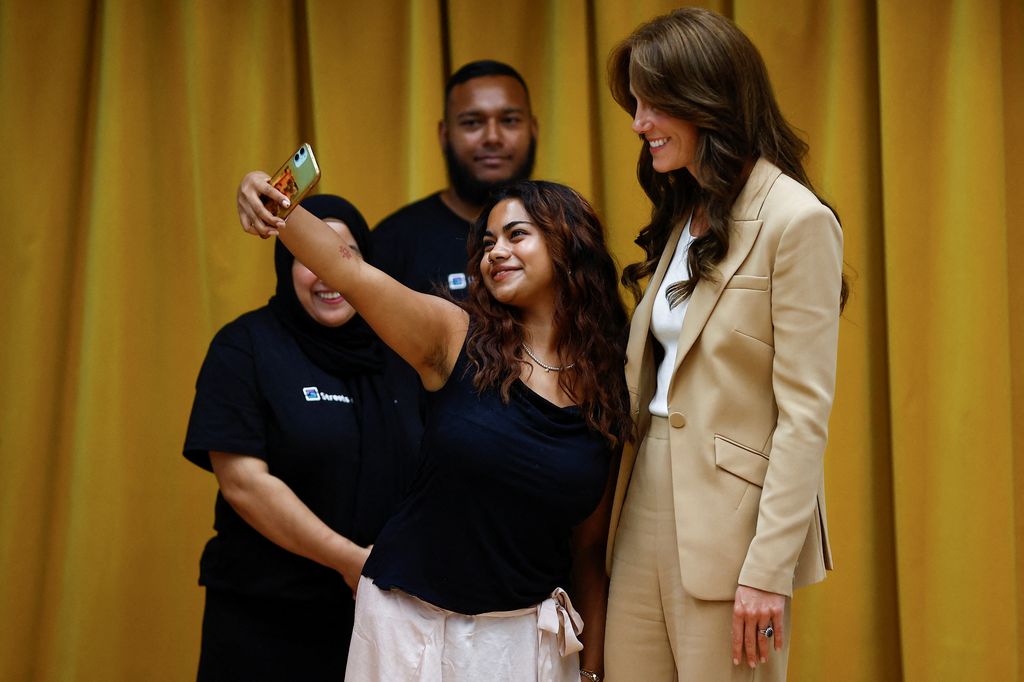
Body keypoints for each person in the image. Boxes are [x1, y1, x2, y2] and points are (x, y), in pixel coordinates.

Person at [237, 175, 631, 682]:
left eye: (516, 235)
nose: (496, 253)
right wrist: (278, 204)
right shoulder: (455, 336)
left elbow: (588, 553)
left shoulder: (607, 387)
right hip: (410, 628)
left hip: (525, 642)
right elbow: (350, 271)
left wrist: (592, 670)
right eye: (487, 243)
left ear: (568, 242)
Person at [603, 8, 848, 680]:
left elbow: (804, 416)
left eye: (653, 103)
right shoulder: (686, 210)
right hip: (642, 496)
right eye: (635, 102)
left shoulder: (797, 221)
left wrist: (767, 570)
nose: (638, 123)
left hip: (735, 530)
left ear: (705, 99)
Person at [183, 194, 422, 680]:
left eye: (344, 253)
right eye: (307, 256)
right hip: (268, 620)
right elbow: (244, 483)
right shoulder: (244, 347)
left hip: (383, 619)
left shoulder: (402, 350)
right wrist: (352, 561)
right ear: (285, 264)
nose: (327, 272)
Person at [372, 59, 538, 297]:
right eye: (472, 123)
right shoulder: (393, 242)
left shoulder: (566, 232)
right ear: (444, 135)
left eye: (509, 120)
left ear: (533, 129)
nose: (492, 137)